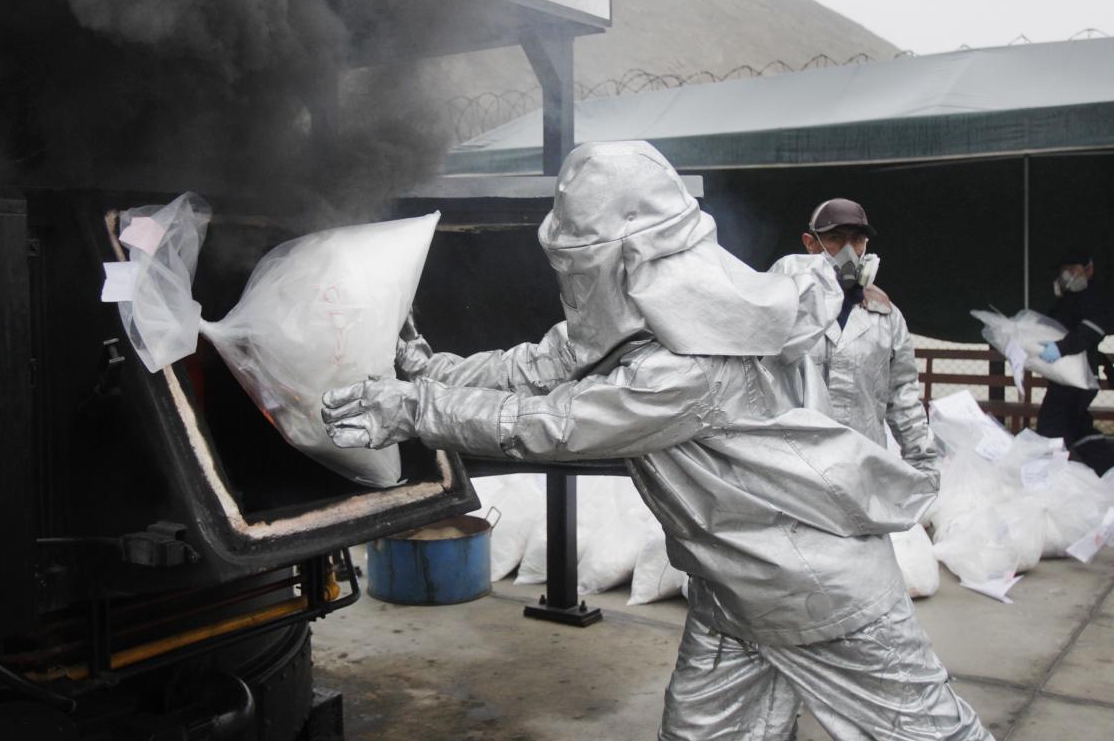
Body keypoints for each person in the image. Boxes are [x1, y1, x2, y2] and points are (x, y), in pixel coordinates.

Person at [322, 142, 992, 740]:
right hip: (733, 594)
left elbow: (550, 424)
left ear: (630, 256)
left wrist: (413, 407)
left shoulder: (688, 368)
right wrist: (425, 367)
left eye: (583, 261)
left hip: (821, 597)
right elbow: (532, 367)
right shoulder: (650, 320)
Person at [769, 199, 934, 472]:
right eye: (835, 238)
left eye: (857, 239)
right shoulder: (784, 305)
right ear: (810, 244)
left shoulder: (886, 316)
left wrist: (924, 465)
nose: (849, 250)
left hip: (864, 469)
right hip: (796, 469)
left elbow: (903, 396)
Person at [1036, 249, 1112, 475]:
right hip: (1068, 377)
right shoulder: (1069, 300)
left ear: (1089, 270)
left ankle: (1047, 478)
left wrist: (1060, 348)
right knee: (1078, 428)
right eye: (1064, 271)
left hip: (1078, 379)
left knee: (1052, 426)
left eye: (1072, 269)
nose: (1067, 275)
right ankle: (1109, 468)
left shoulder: (1095, 297)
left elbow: (1091, 332)